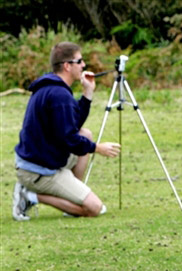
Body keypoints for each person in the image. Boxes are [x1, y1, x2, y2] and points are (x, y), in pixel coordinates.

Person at [13, 41, 121, 221]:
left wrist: (88, 93)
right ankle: (30, 195)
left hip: (44, 159)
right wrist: (97, 148)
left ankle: (72, 198)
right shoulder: (59, 95)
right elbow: (69, 139)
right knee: (94, 208)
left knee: (85, 134)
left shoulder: (53, 88)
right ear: (67, 66)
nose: (84, 65)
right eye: (79, 61)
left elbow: (72, 126)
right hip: (37, 171)